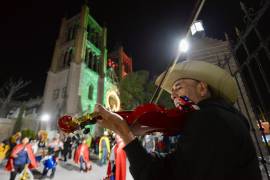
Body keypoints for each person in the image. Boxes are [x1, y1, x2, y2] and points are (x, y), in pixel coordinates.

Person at [94, 60, 262, 180]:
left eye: (178, 87)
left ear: (202, 88)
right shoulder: (221, 116)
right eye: (172, 91)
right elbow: (176, 165)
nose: (173, 95)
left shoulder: (209, 119)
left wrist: (126, 134)